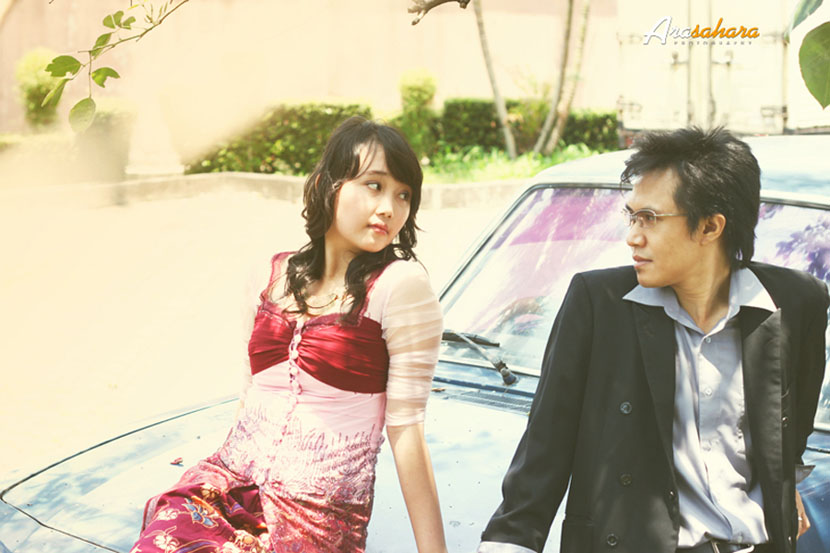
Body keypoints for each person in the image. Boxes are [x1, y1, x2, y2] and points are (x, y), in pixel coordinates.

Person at [478, 127, 829, 553]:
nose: (632, 236)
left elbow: (791, 428)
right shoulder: (599, 305)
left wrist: (786, 484)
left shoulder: (795, 304)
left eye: (650, 218)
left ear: (710, 226)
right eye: (631, 216)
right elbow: (542, 457)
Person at [132, 116, 448, 553]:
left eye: (403, 194)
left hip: (312, 516)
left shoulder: (400, 286)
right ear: (327, 185)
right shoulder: (269, 275)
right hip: (223, 487)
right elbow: (250, 396)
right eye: (374, 185)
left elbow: (407, 429)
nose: (389, 208)